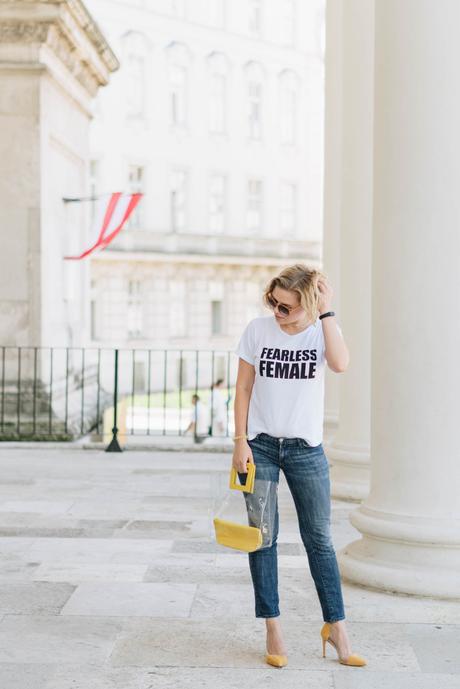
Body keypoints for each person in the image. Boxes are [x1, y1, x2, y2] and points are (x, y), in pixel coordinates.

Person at [232, 263, 367, 669]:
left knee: (319, 542)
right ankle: (273, 626)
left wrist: (327, 313)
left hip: (307, 450)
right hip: (261, 447)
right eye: (273, 303)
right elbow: (242, 387)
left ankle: (336, 627)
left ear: (307, 303)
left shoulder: (321, 331)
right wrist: (240, 442)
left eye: (286, 307)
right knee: (263, 538)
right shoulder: (258, 330)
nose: (277, 312)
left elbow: (341, 364)